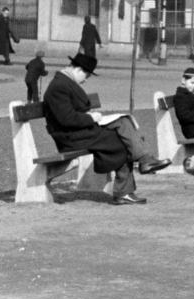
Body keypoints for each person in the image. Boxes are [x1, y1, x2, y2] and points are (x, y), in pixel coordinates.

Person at [42, 53, 170, 205]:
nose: (86, 79)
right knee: (122, 139)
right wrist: (91, 118)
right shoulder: (59, 87)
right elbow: (67, 119)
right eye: (87, 75)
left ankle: (142, 164)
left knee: (123, 123)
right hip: (70, 137)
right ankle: (129, 184)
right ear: (78, 69)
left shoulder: (64, 82)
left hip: (80, 132)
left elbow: (72, 114)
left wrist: (90, 117)